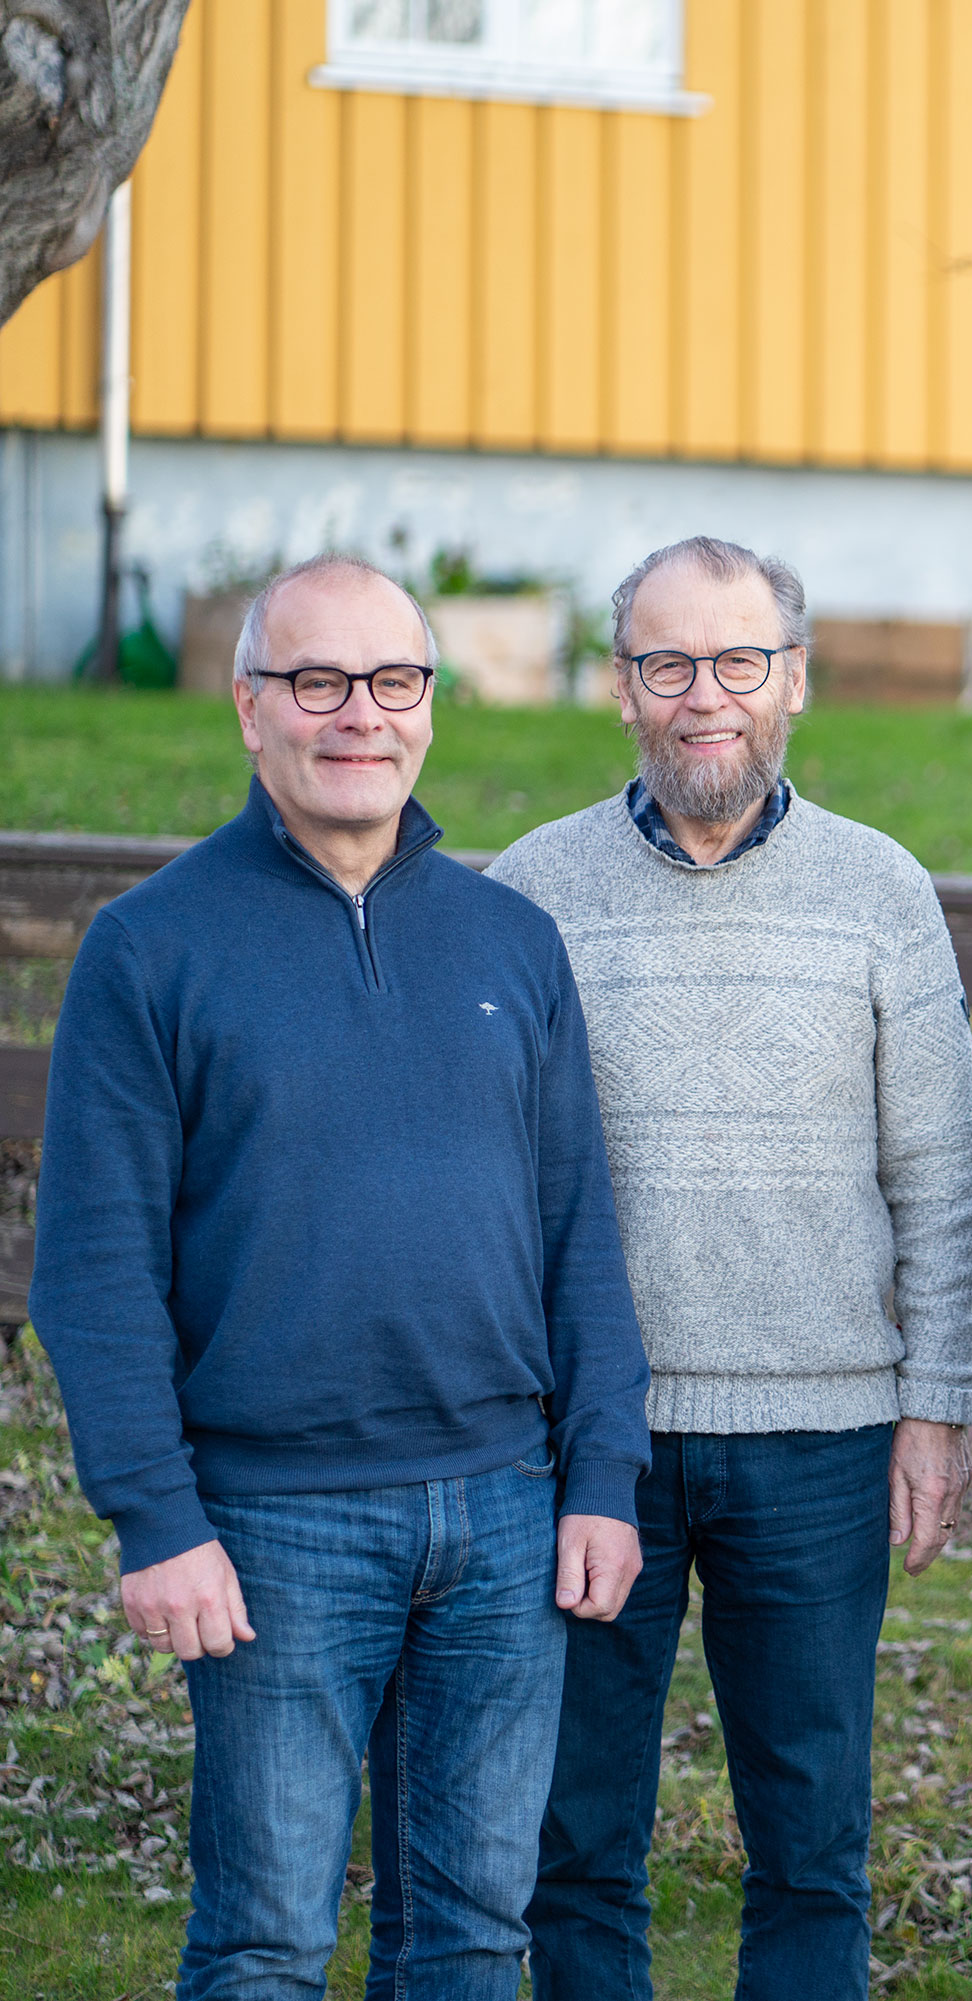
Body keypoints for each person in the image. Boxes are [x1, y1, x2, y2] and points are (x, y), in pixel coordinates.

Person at [30, 553, 652, 1998]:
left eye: (393, 679)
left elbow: (579, 1229)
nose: (360, 713)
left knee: (473, 1936)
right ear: (250, 707)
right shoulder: (152, 949)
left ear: (429, 704)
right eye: (318, 681)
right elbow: (96, 1268)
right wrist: (155, 1516)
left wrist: (604, 1476)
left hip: (504, 1510)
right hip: (273, 1525)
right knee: (265, 1940)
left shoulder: (511, 941)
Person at [494, 536, 972, 2001]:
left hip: (822, 1439)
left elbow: (942, 1174)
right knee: (577, 1837)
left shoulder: (880, 889)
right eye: (668, 662)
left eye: (739, 660)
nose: (703, 693)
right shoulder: (532, 894)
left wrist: (937, 1404)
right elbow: (487, 1182)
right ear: (622, 687)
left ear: (795, 680)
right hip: (594, 1439)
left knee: (813, 1840)